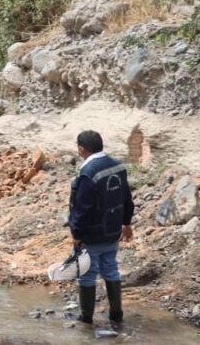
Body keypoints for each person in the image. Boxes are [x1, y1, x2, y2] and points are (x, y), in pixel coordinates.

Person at [69, 130, 134, 325]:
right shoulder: (118, 166)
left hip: (92, 235)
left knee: (87, 275)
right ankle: (116, 315)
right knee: (111, 271)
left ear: (81, 149)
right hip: (112, 232)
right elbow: (126, 198)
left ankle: (86, 319)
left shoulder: (88, 172)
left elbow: (82, 208)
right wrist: (127, 224)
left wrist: (77, 234)